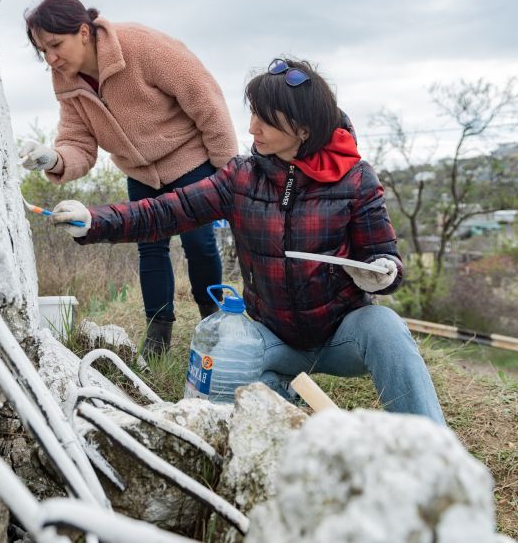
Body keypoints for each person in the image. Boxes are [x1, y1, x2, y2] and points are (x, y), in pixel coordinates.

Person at [48, 59, 446, 424]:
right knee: (224, 362)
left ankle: (433, 450)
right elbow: (166, 211)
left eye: (265, 120)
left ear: (302, 130)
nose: (252, 128)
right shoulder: (242, 177)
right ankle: (295, 417)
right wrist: (94, 221)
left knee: (384, 325)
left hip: (341, 336)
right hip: (272, 337)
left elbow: (383, 258)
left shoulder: (356, 179)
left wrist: (382, 273)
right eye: (252, 114)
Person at [20, 0, 238, 357]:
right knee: (150, 247)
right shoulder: (67, 80)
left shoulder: (142, 46)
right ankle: (157, 335)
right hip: (140, 172)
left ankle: (211, 321)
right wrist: (52, 159)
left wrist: (228, 171)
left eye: (56, 45)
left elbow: (206, 101)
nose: (51, 58)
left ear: (84, 31)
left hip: (189, 160)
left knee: (198, 243)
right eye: (43, 50)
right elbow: (78, 144)